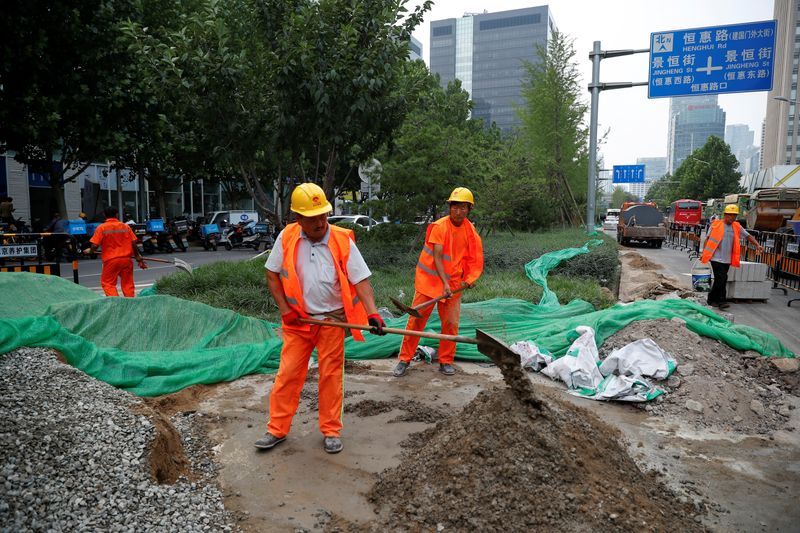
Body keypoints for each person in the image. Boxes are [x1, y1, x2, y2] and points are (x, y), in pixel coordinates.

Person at [254, 183, 386, 454]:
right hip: (299, 323)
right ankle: (276, 429)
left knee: (330, 376)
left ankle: (331, 430)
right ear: (298, 218)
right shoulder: (287, 237)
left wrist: (372, 313)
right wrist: (285, 311)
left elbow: (360, 280)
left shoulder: (341, 240)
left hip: (331, 322)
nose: (320, 222)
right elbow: (272, 274)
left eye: (323, 215)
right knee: (288, 375)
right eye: (313, 218)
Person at [393, 187, 484, 378]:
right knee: (415, 321)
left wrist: (470, 279)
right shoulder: (439, 227)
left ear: (469, 209)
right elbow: (437, 255)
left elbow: (474, 258)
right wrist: (444, 283)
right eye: (455, 207)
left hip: (453, 284)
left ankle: (446, 361)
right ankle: (404, 359)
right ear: (450, 208)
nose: (458, 212)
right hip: (430, 281)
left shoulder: (470, 230)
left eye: (463, 208)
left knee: (450, 324)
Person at [700, 204, 763, 309]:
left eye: (734, 215)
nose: (732, 218)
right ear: (725, 215)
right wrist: (704, 253)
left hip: (727, 259)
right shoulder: (716, 225)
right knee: (722, 278)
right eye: (730, 215)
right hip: (716, 258)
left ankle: (712, 299)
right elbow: (707, 239)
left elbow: (748, 236)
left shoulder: (737, 226)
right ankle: (721, 301)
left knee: (721, 279)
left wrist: (757, 244)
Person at [83, 206, 147, 297]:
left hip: (111, 261)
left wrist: (90, 251)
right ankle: (130, 304)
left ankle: (116, 304)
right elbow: (133, 243)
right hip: (126, 260)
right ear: (116, 214)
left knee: (108, 284)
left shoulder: (102, 228)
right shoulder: (125, 227)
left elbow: (95, 245)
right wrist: (137, 256)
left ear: (104, 215)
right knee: (127, 284)